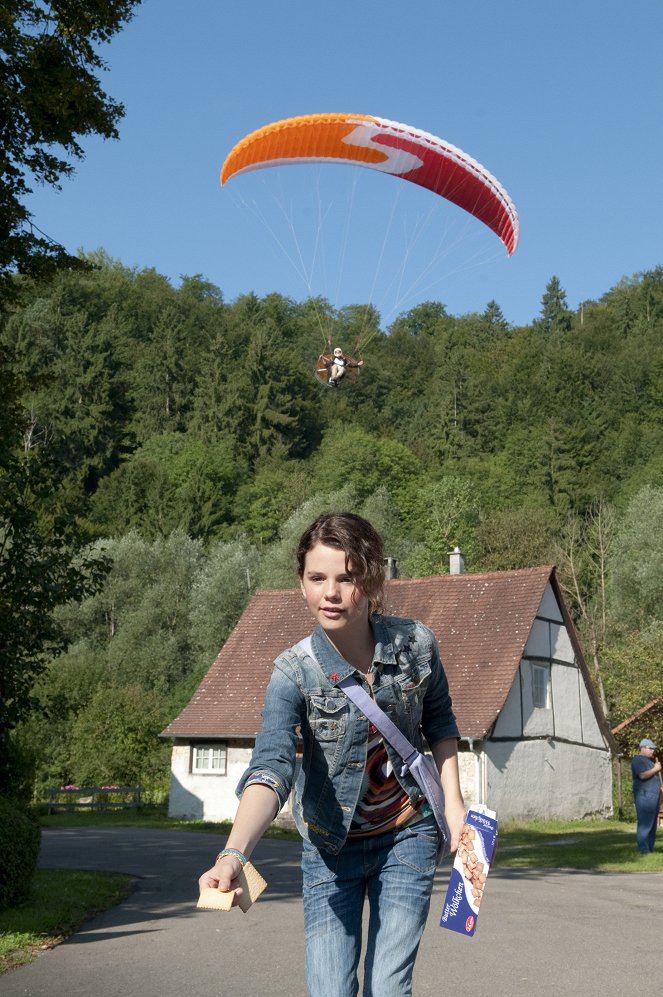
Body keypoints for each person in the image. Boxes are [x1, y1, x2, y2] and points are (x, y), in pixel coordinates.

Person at [198, 511, 466, 996]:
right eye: (317, 578)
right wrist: (233, 855)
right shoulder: (292, 672)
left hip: (407, 835)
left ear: (372, 579)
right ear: (301, 584)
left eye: (348, 578)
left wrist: (455, 803)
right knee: (330, 989)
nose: (332, 593)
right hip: (329, 847)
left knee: (387, 988)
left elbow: (440, 722)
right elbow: (271, 767)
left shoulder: (416, 645)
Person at [631, 738, 662, 854]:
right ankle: (644, 850)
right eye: (651, 748)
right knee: (645, 824)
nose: (653, 751)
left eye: (653, 749)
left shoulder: (649, 761)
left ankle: (650, 849)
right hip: (645, 797)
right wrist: (656, 768)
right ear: (643, 748)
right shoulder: (638, 760)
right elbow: (642, 776)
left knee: (652, 826)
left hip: (653, 798)